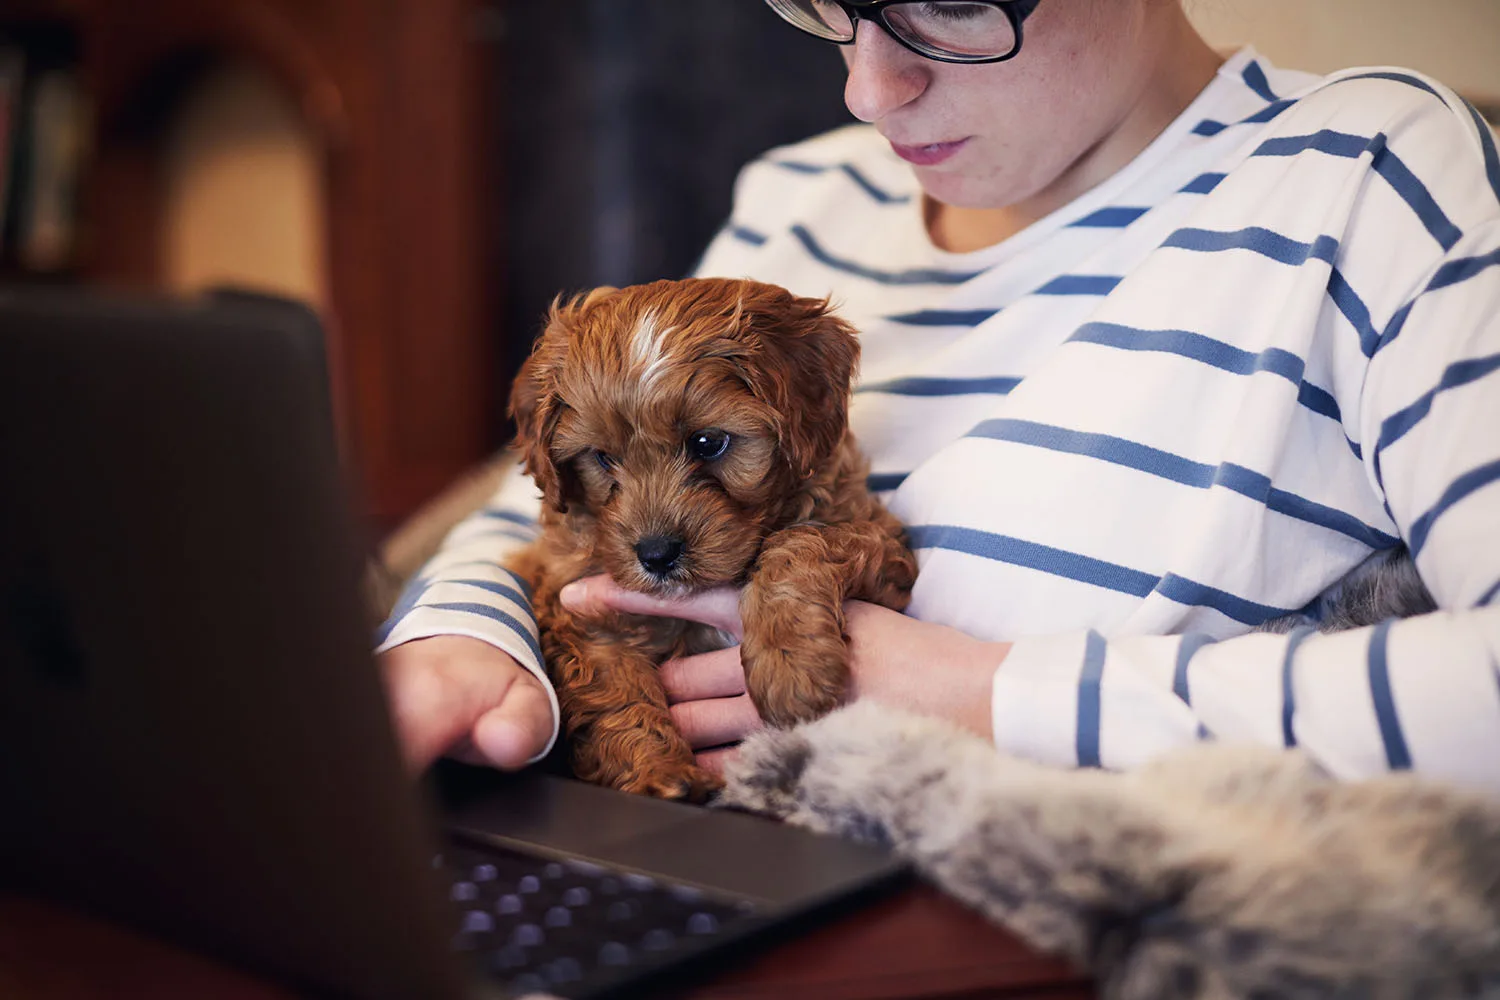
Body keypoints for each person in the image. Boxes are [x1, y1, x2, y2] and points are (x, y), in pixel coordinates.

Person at [377, 0, 1500, 792]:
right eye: (831, 4)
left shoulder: (1370, 176)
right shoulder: (803, 193)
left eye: (950, 1)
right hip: (672, 869)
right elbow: (553, 513)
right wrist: (466, 643)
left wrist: (993, 697)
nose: (871, 89)